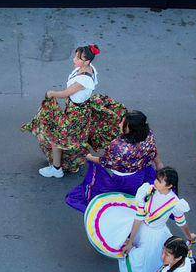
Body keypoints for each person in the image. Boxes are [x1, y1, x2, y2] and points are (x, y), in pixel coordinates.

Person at [23, 44, 125, 178]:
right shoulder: (88, 69)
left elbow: (66, 93)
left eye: (78, 58)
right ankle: (66, 162)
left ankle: (56, 169)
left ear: (86, 61)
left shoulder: (83, 79)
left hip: (76, 114)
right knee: (69, 137)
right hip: (78, 109)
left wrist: (51, 93)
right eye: (76, 56)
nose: (74, 60)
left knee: (57, 138)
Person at [66, 110, 160, 211]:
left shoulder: (118, 146)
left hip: (122, 179)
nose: (119, 124)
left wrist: (89, 156)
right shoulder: (148, 134)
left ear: (130, 129)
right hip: (140, 173)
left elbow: (104, 161)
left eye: (122, 123)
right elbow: (153, 150)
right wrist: (159, 164)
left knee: (113, 198)